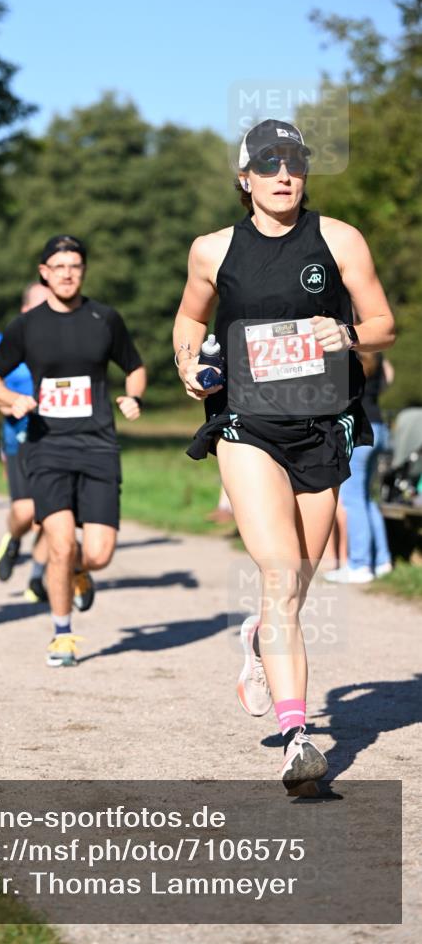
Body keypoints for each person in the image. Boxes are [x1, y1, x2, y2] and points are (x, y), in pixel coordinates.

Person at [174, 119, 395, 792]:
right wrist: (188, 364)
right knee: (277, 573)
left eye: (293, 162)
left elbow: (382, 324)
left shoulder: (337, 238)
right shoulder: (213, 250)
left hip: (323, 424)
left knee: (297, 581)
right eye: (267, 163)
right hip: (247, 422)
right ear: (244, 178)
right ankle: (298, 740)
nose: (282, 174)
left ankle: (255, 642)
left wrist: (348, 333)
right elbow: (189, 319)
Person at [0, 235, 147, 667]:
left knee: (99, 553)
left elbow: (135, 366)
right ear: (44, 273)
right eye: (59, 267)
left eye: (75, 265)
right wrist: (8, 401)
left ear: (84, 270)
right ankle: (62, 634)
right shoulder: (27, 326)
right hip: (47, 445)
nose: (67, 273)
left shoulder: (104, 318)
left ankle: (78, 571)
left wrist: (134, 397)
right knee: (58, 541)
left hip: (98, 446)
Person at [0, 282, 50, 603]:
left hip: (57, 437)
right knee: (26, 511)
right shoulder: (7, 341)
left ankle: (38, 578)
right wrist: (10, 403)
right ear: (25, 309)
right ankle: (13, 539)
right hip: (19, 437)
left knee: (51, 514)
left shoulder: (62, 337)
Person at [324, 352, 394, 582]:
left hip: (359, 431)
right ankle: (382, 560)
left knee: (353, 499)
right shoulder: (378, 355)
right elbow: (389, 377)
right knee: (366, 498)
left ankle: (360, 564)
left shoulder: (348, 358)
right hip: (380, 427)